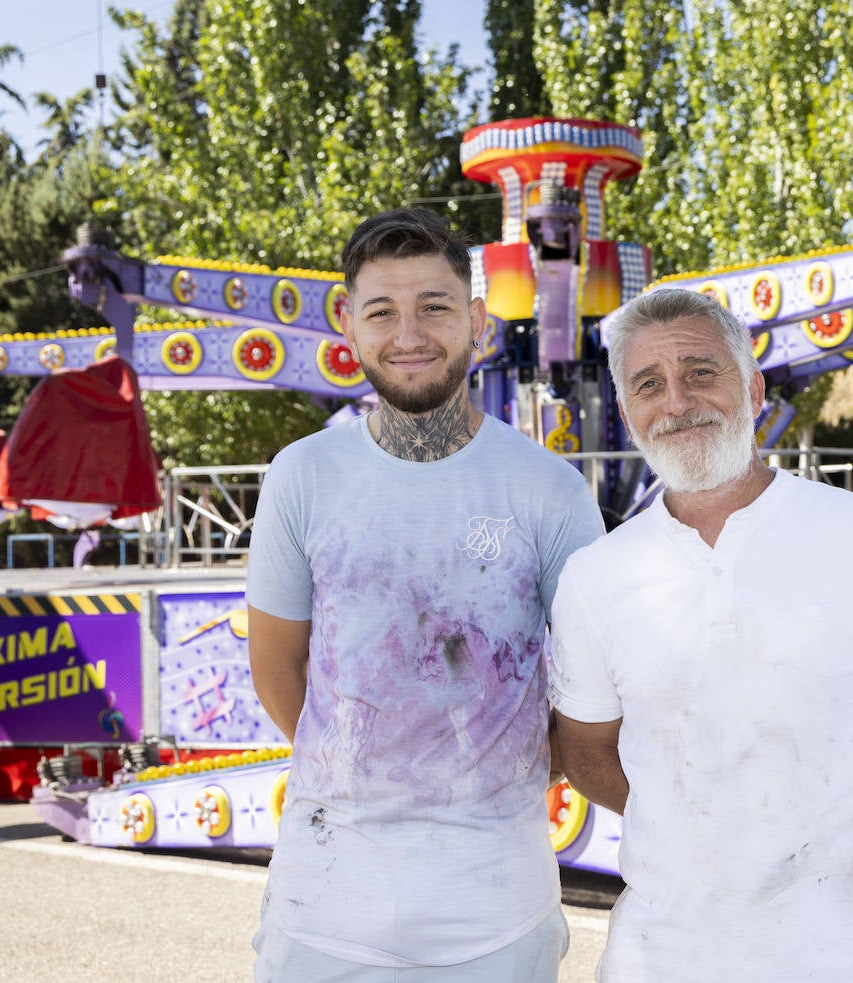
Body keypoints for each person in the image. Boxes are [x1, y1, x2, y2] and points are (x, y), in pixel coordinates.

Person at [548, 288, 853, 982]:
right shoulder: (595, 578)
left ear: (753, 387)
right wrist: (706, 826)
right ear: (626, 413)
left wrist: (839, 831)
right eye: (649, 384)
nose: (677, 401)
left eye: (701, 371)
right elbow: (586, 756)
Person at [246, 207, 605, 982]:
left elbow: (594, 689)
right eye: (382, 310)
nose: (409, 332)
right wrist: (362, 758)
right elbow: (280, 674)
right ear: (348, 325)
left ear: (476, 320)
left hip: (498, 914)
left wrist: (488, 772)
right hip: (325, 908)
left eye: (434, 306)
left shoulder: (549, 490)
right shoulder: (300, 476)